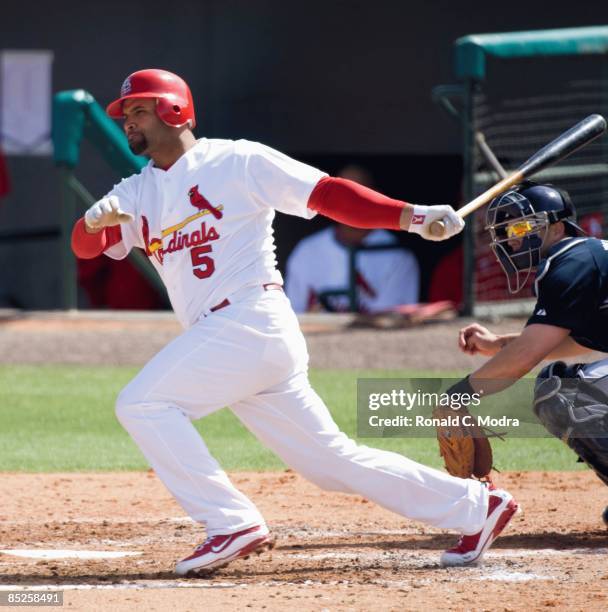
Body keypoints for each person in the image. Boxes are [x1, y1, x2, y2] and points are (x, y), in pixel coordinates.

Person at [71, 69, 517, 575]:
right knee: (330, 463)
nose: (128, 122)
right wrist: (92, 223)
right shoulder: (135, 192)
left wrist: (411, 216)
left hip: (248, 318)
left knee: (142, 403)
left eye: (138, 111)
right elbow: (84, 246)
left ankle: (229, 522)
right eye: (125, 114)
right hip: (228, 339)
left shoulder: (237, 160)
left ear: (174, 111)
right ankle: (475, 507)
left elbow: (327, 194)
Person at [450, 182, 608, 518]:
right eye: (509, 228)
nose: (513, 236)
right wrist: (497, 344)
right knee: (565, 381)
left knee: (564, 393)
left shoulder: (570, 263)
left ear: (556, 227)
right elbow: (567, 343)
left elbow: (525, 358)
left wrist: (457, 396)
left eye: (523, 226)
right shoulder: (586, 257)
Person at [286, 165, 420, 313]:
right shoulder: (307, 250)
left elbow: (393, 326)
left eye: (358, 194)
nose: (350, 203)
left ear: (378, 197)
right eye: (342, 195)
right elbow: (293, 316)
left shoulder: (398, 255)